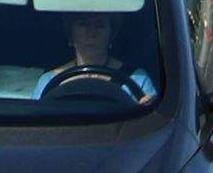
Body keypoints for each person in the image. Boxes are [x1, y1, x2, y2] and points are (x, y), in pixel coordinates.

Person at [24, 11, 157, 105]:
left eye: (100, 25)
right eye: (83, 24)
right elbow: (36, 125)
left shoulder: (138, 79)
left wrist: (148, 110)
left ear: (111, 35)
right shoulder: (48, 81)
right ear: (70, 33)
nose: (92, 32)